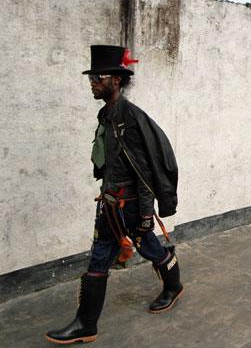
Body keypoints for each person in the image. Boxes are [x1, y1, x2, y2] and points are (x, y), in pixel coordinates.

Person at [46, 45, 183, 344]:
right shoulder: (106, 114)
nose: (93, 82)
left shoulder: (129, 118)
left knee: (151, 249)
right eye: (91, 77)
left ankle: (173, 286)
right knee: (98, 260)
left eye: (98, 76)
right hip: (108, 204)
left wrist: (146, 214)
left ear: (117, 80)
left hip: (131, 207)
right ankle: (86, 325)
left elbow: (144, 171)